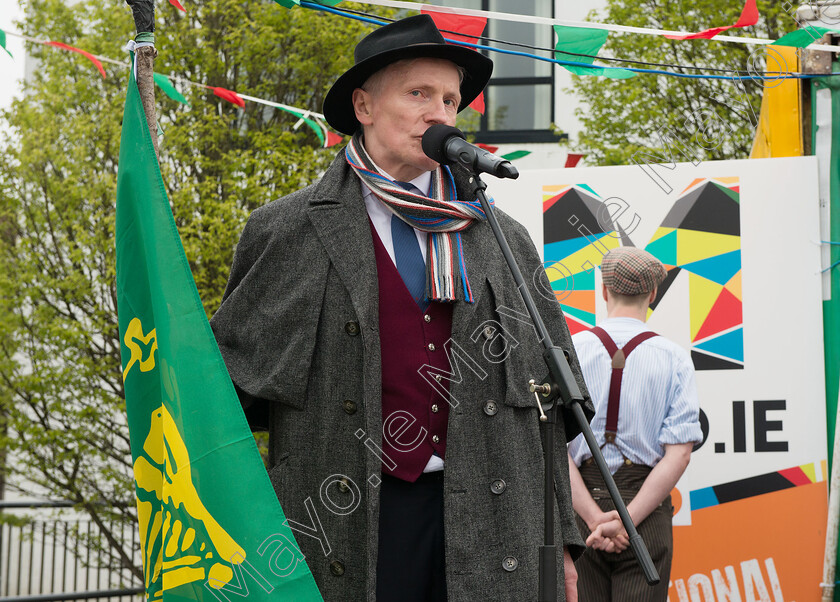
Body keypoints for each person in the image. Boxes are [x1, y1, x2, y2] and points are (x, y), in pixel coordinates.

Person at [210, 14, 595, 602]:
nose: (440, 113)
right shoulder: (287, 230)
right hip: (346, 521)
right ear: (363, 107)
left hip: (497, 527)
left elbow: (549, 413)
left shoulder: (501, 237)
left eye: (450, 99)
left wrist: (563, 542)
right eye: (418, 94)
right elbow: (222, 401)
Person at [566, 246, 702, 601]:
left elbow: (553, 448)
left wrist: (597, 519)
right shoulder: (674, 359)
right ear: (653, 293)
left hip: (581, 508)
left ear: (604, 290)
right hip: (648, 507)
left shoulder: (571, 350)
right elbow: (680, 456)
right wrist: (625, 520)